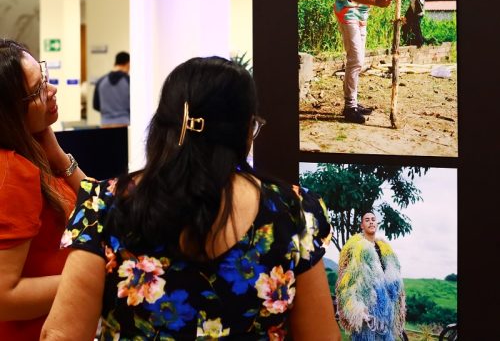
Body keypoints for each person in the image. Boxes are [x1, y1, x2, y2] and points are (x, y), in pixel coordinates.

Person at [41, 56, 341, 340]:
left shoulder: (103, 206)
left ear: (160, 127)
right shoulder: (295, 212)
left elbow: (61, 334)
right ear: (246, 132)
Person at [0, 39, 86, 340]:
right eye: (38, 90)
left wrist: (59, 156)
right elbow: (4, 299)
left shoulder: (35, 150)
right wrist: (90, 278)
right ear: (11, 113)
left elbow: (98, 208)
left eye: (45, 78)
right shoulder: (12, 172)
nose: (51, 91)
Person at [334, 0, 403, 124]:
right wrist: (376, 1)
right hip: (348, 10)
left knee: (359, 60)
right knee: (356, 59)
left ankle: (353, 101)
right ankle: (349, 107)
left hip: (362, 13)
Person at [335, 211, 406, 341]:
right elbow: (346, 284)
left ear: (377, 223)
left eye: (373, 219)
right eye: (367, 220)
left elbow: (394, 284)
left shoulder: (386, 250)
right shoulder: (355, 248)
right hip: (367, 316)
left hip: (386, 316)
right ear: (362, 225)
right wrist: (357, 310)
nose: (371, 221)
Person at [93, 51, 130, 127]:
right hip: (124, 124)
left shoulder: (101, 81)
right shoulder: (128, 81)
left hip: (105, 124)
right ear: (128, 63)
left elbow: (95, 105)